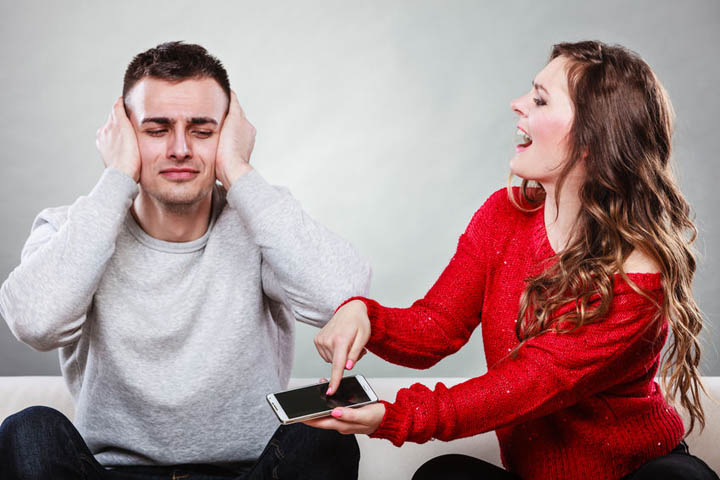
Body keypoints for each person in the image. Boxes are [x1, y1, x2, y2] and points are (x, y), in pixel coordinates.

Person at [307, 40, 719, 480]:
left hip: (637, 473)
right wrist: (364, 316)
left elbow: (525, 384)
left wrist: (392, 416)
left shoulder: (638, 274)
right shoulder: (504, 214)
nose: (517, 104)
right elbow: (436, 328)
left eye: (540, 99)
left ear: (591, 138)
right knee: (443, 475)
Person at [0, 41, 370, 479]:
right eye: (156, 129)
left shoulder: (261, 221)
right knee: (30, 430)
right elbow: (35, 324)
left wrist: (238, 172)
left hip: (250, 473)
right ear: (123, 136)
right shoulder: (72, 228)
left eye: (202, 130)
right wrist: (116, 178)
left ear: (229, 134)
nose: (180, 148)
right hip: (112, 474)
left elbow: (344, 296)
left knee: (325, 436)